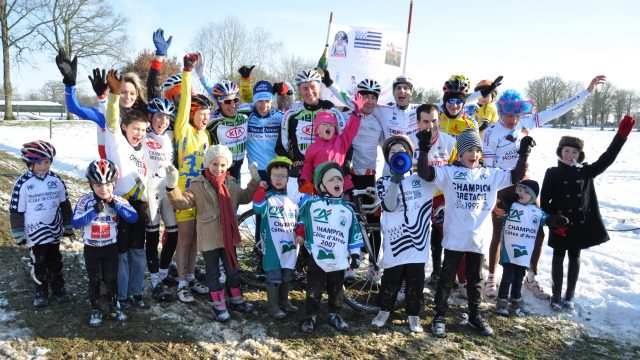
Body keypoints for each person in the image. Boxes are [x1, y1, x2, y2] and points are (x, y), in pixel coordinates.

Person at [481, 75, 606, 300]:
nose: (513, 119)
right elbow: (488, 169)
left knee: (537, 231)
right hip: (502, 184)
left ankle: (531, 276)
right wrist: (494, 200)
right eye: (509, 115)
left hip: (525, 184)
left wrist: (586, 92)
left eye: (517, 115)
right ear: (500, 111)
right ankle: (491, 277)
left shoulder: (524, 124)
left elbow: (555, 110)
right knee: (499, 231)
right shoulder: (490, 133)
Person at [416, 128, 535, 337]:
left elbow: (517, 175)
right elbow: (425, 173)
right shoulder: (449, 172)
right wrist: (424, 149)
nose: (474, 155)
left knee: (475, 279)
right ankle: (440, 315)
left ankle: (474, 315)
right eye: (469, 150)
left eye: (477, 150)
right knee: (446, 278)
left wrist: (523, 153)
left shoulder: (490, 174)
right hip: (454, 237)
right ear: (460, 153)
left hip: (478, 239)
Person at [541, 115, 636, 311]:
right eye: (566, 151)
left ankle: (569, 296)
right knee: (558, 257)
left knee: (575, 257)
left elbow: (607, 159)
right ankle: (556, 295)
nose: (570, 155)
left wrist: (620, 137)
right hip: (560, 224)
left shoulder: (586, 172)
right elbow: (544, 202)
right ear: (560, 152)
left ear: (579, 154)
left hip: (578, 224)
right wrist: (553, 219)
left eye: (574, 152)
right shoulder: (552, 172)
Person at [165, 145, 261, 322]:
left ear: (228, 165)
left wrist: (254, 180)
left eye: (223, 165)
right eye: (215, 164)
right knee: (213, 272)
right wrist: (172, 187)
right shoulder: (197, 184)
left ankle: (235, 299)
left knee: (232, 269)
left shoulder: (231, 183)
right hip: (209, 236)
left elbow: (245, 197)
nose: (219, 169)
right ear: (208, 164)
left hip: (228, 235)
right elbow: (182, 203)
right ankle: (218, 303)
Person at [372, 135, 438, 332]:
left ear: (410, 155)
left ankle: (413, 314)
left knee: (415, 280)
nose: (397, 156)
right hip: (395, 241)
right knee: (391, 278)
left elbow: (442, 182)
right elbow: (389, 207)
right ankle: (384, 309)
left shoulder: (422, 180)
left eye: (402, 153)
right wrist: (395, 181)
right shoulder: (383, 181)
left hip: (418, 243)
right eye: (393, 153)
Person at [297, 162, 364, 333]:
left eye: (339, 180)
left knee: (336, 289)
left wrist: (355, 254)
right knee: (314, 289)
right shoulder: (313, 203)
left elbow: (353, 233)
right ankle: (310, 315)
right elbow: (300, 211)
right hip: (317, 257)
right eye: (332, 180)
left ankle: (335, 313)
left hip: (339, 258)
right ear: (322, 185)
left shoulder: (347, 210)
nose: (337, 183)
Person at [72, 159, 138, 326]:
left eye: (108, 184)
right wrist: (93, 210)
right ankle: (96, 309)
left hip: (110, 248)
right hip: (92, 249)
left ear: (114, 183)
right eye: (98, 185)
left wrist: (115, 204)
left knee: (111, 278)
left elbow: (133, 217)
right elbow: (76, 222)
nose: (104, 189)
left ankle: (113, 306)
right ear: (90, 184)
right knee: (94, 279)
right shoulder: (85, 201)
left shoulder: (116, 199)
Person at [104, 70, 150, 309]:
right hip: (120, 204)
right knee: (121, 253)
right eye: (135, 129)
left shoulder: (144, 149)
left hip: (140, 206)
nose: (139, 134)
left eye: (142, 130)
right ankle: (121, 295)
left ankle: (136, 292)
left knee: (137, 252)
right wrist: (113, 96)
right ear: (125, 127)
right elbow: (110, 122)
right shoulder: (118, 142)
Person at [9, 141, 73, 307]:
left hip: (53, 230)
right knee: (39, 262)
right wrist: (18, 233)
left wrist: (68, 225)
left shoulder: (56, 180)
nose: (43, 166)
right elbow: (16, 210)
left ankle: (59, 290)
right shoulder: (23, 183)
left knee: (56, 260)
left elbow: (65, 204)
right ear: (30, 163)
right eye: (38, 163)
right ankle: (41, 293)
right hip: (34, 233)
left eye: (47, 162)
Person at [171, 54, 212, 303]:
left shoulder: (206, 136)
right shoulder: (183, 129)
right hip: (183, 193)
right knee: (184, 239)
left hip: (200, 194)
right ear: (193, 114)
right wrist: (187, 72)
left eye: (209, 114)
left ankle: (191, 275)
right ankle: (181, 282)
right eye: (202, 113)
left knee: (196, 239)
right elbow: (185, 102)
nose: (206, 118)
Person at [494, 180, 568, 317]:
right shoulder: (512, 207)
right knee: (508, 276)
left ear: (533, 197)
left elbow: (546, 219)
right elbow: (501, 209)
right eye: (520, 190)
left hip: (524, 252)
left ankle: (516, 299)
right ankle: (502, 300)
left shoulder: (536, 211)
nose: (521, 193)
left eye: (526, 192)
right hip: (509, 250)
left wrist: (557, 220)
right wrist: (503, 204)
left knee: (519, 277)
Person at [252, 156, 301, 318]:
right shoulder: (268, 197)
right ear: (269, 177)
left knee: (287, 273)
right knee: (274, 275)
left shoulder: (295, 198)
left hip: (291, 243)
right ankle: (273, 306)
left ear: (289, 178)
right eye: (275, 176)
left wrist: (301, 233)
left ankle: (284, 301)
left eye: (282, 176)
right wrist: (260, 189)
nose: (278, 179)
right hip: (272, 245)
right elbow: (258, 209)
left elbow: (302, 218)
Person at [275, 69, 346, 178]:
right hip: (301, 173)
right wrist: (291, 165)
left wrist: (345, 166)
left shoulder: (333, 113)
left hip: (327, 172)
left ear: (320, 87)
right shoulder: (291, 115)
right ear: (299, 90)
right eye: (305, 88)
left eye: (313, 87)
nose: (309, 92)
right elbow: (281, 147)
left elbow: (345, 142)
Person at [299, 93, 368, 194]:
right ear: (317, 130)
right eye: (325, 124)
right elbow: (307, 166)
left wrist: (356, 113)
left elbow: (350, 130)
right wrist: (305, 181)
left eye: (332, 125)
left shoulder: (341, 142)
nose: (329, 127)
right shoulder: (312, 148)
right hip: (320, 185)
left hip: (340, 184)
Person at [144, 98, 178, 301]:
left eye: (166, 118)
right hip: (150, 191)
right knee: (153, 236)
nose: (163, 121)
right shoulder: (142, 134)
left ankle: (164, 273)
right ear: (149, 117)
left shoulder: (169, 136)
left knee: (173, 233)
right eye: (159, 116)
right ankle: (154, 280)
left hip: (166, 190)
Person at [206, 80, 250, 182]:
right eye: (227, 102)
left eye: (235, 100)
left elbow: (262, 103)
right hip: (220, 169)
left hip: (239, 166)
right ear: (219, 104)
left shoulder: (245, 112)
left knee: (236, 195)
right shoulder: (212, 120)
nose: (233, 105)